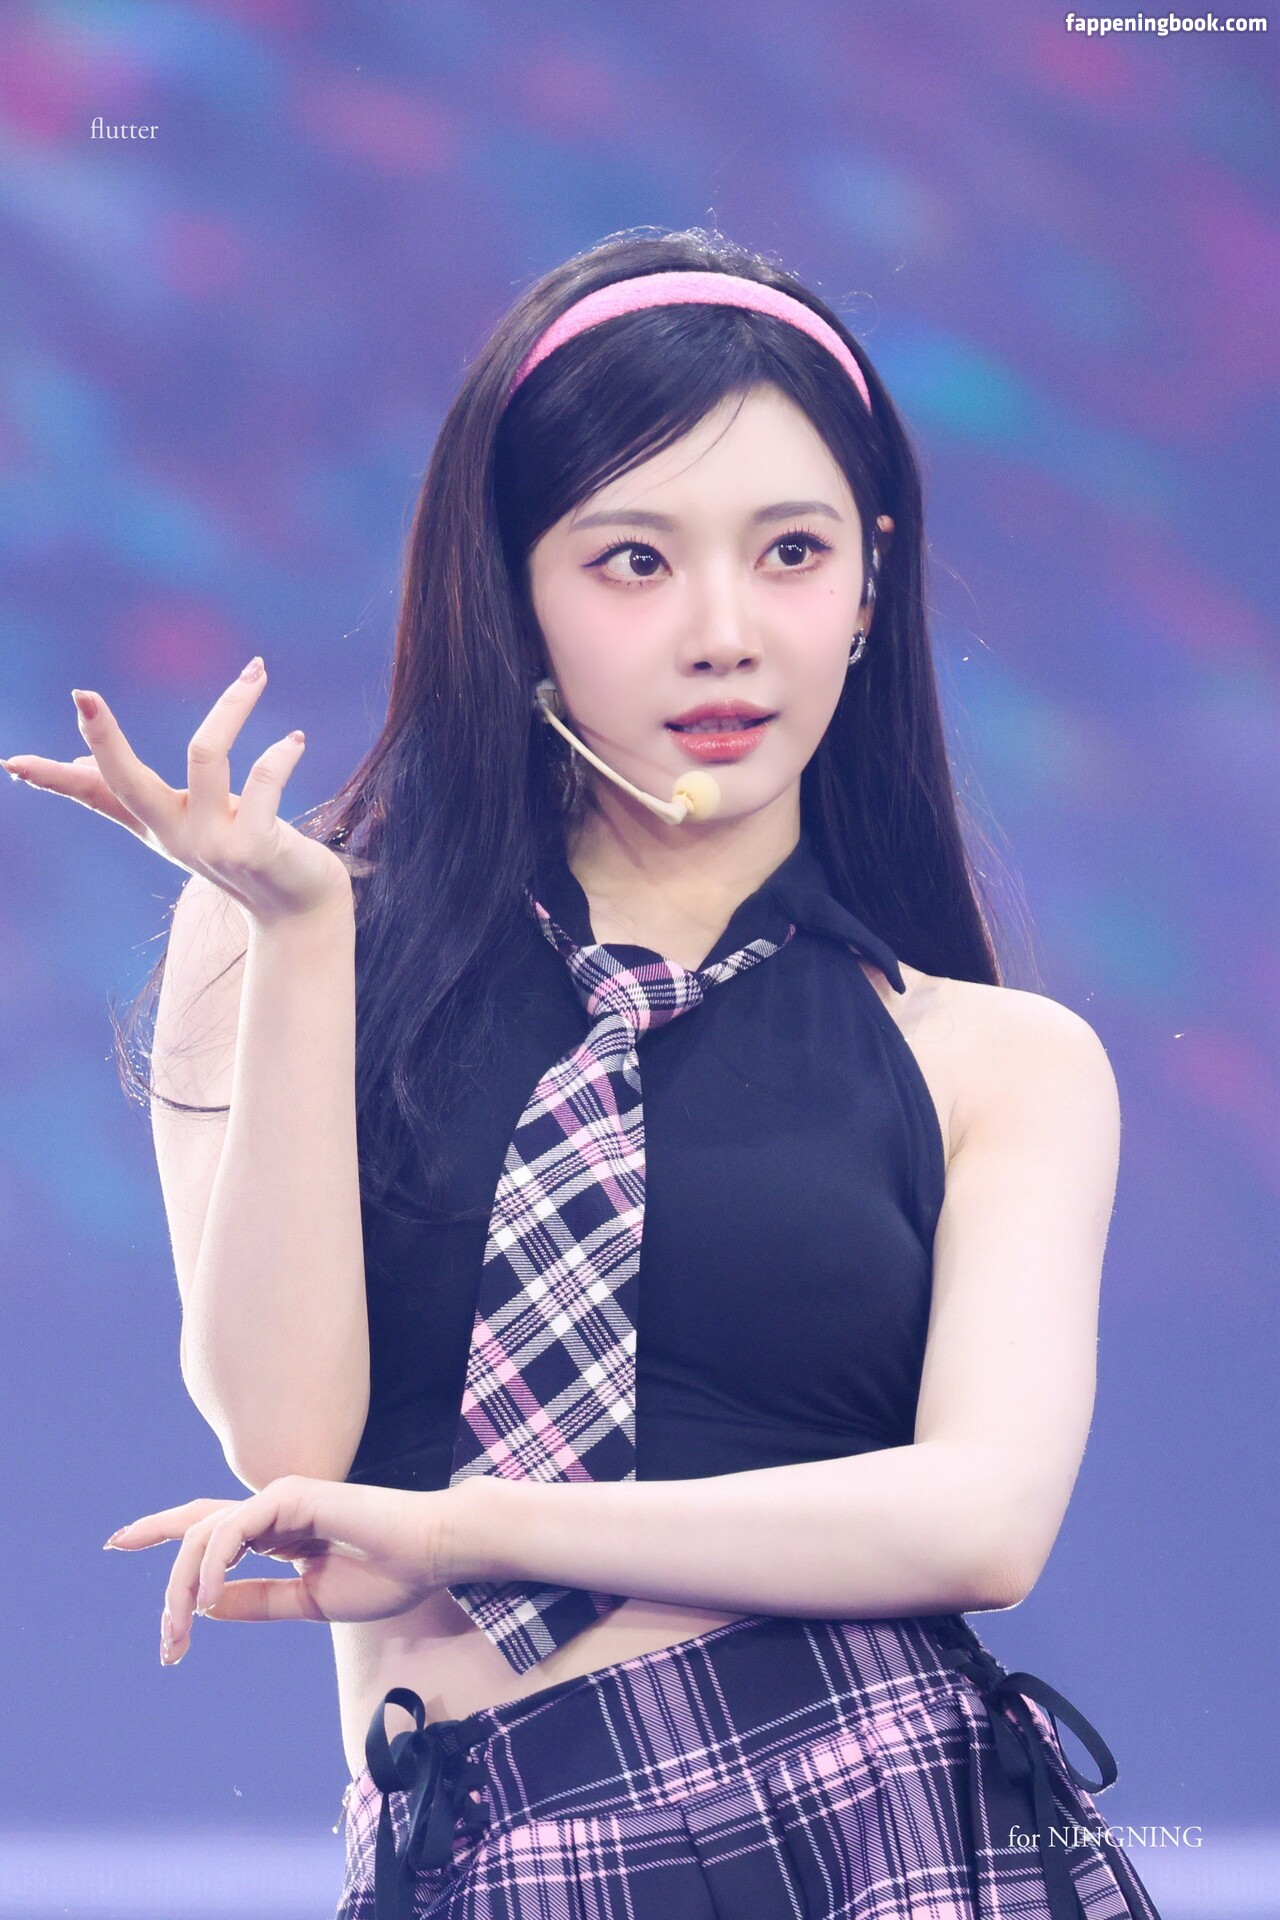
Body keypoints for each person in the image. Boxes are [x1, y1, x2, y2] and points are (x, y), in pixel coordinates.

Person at [6, 230, 1164, 1920]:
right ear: (513, 589)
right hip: (487, 1848)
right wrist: (302, 933)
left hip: (893, 1823)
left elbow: (980, 1523)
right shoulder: (283, 933)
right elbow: (290, 1437)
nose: (723, 633)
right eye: (632, 560)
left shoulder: (997, 1059)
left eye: (791, 552)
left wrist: (470, 1531)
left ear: (870, 583)